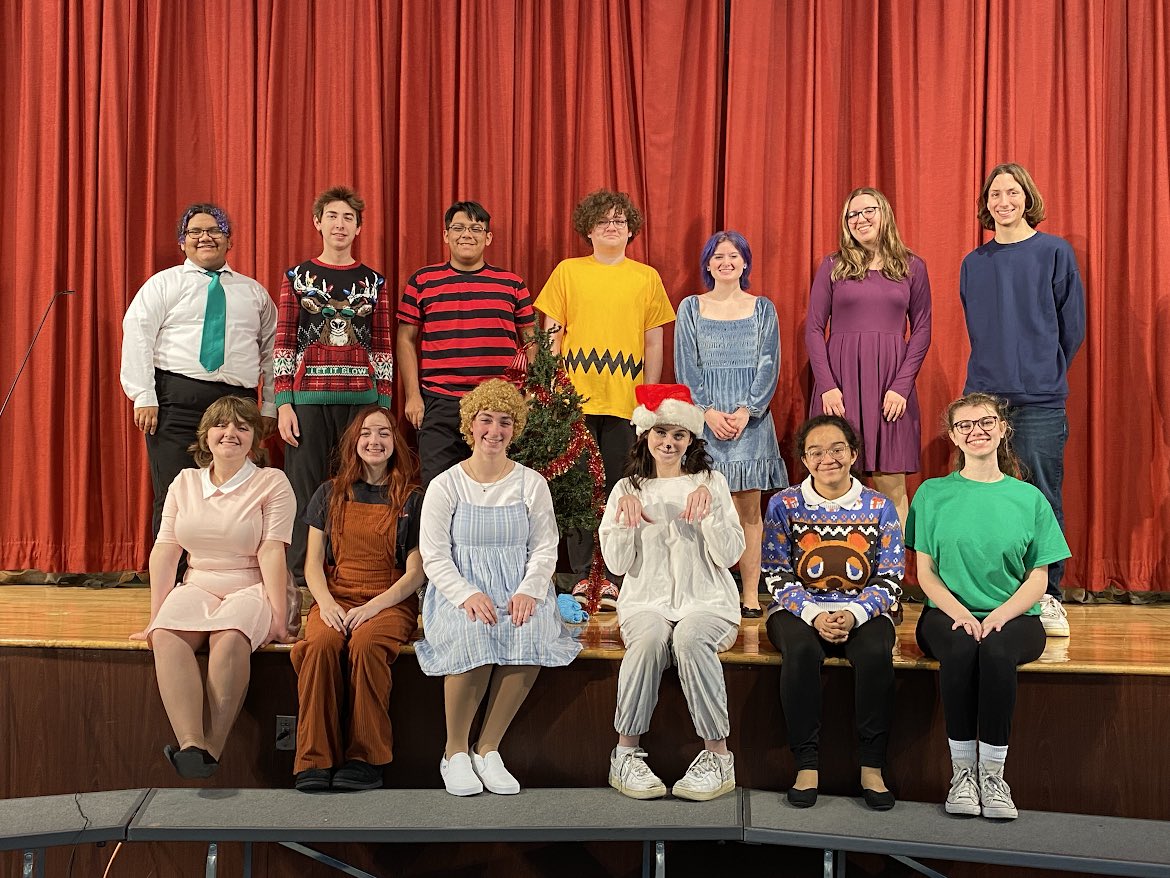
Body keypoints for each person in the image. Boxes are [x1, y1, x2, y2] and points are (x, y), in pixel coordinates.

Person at [905, 392, 1070, 820]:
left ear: (1003, 429)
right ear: (954, 437)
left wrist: (1000, 615)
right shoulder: (931, 493)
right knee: (961, 650)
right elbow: (925, 573)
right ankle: (962, 774)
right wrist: (959, 612)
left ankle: (994, 776)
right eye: (965, 425)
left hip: (1014, 615)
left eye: (986, 422)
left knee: (996, 652)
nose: (976, 431)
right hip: (945, 612)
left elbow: (1038, 577)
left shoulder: (1029, 499)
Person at [414, 379, 581, 796]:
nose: (495, 430)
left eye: (505, 422)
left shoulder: (530, 483)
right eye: (486, 420)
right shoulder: (446, 484)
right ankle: (454, 751)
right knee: (473, 631)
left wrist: (529, 590)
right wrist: (466, 594)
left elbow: (545, 546)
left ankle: (488, 748)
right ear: (470, 425)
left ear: (515, 428)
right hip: (462, 588)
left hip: (517, 586)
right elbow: (433, 554)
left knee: (533, 629)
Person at [130, 396, 294, 779]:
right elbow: (166, 551)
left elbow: (271, 552)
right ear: (206, 437)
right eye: (221, 426)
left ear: (255, 440)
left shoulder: (272, 482)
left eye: (242, 427)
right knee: (166, 636)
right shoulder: (185, 481)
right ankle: (190, 744)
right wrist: (156, 617)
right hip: (198, 582)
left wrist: (279, 617)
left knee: (230, 635)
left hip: (251, 584)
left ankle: (214, 747)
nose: (230, 434)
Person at [600, 384, 744, 802]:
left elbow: (731, 554)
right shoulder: (627, 489)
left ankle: (718, 756)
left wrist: (711, 512)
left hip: (708, 602)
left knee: (689, 637)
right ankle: (625, 754)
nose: (668, 442)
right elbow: (618, 565)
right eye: (661, 433)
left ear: (690, 440)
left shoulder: (711, 482)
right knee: (646, 641)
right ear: (645, 435)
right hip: (646, 602)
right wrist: (625, 524)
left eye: (678, 435)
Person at [960, 163, 1085, 637]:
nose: (1003, 201)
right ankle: (988, 590)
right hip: (984, 400)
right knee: (984, 497)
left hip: (1038, 398)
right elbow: (977, 323)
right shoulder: (974, 262)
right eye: (995, 194)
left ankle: (1048, 595)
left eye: (1012, 193)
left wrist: (1042, 367)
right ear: (986, 204)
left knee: (1041, 497)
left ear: (1027, 198)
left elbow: (1071, 328)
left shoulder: (1055, 252)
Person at [535, 189, 676, 605]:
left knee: (621, 488)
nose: (611, 227)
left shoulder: (645, 277)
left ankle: (615, 575)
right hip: (574, 404)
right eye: (603, 222)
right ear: (588, 231)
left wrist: (647, 399)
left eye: (619, 221)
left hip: (624, 404)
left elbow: (654, 341)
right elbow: (552, 332)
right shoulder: (568, 272)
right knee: (579, 489)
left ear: (631, 230)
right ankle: (582, 574)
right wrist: (553, 389)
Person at [761, 415, 904, 811]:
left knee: (875, 654)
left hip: (864, 609)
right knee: (802, 652)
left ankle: (872, 767)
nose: (828, 458)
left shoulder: (879, 506)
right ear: (804, 460)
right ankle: (806, 764)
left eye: (837, 449)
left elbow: (892, 576)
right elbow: (775, 572)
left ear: (853, 454)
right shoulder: (784, 504)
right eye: (816, 452)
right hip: (798, 609)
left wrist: (856, 614)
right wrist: (812, 614)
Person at [121, 203, 277, 541]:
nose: (205, 237)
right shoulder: (162, 285)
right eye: (195, 232)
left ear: (228, 240)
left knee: (234, 495)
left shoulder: (254, 293)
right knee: (175, 494)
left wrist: (269, 407)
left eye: (214, 231)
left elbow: (273, 354)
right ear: (182, 241)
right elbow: (137, 335)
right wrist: (143, 395)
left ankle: (229, 572)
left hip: (238, 404)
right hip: (175, 400)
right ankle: (173, 582)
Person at [291, 406, 424, 793]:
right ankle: (313, 759)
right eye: (366, 433)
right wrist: (327, 604)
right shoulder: (328, 493)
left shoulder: (413, 498)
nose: (374, 441)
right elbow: (312, 565)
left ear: (394, 444)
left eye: (383, 433)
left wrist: (373, 607)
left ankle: (366, 758)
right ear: (354, 442)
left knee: (366, 645)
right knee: (319, 644)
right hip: (336, 594)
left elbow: (416, 572)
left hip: (389, 600)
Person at [274, 185, 393, 588]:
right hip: (306, 400)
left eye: (348, 218)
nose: (339, 224)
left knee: (354, 485)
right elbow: (285, 339)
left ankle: (347, 567)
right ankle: (300, 577)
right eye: (332, 216)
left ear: (358, 227)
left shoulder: (375, 282)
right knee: (305, 487)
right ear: (317, 223)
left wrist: (384, 403)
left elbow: (382, 344)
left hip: (360, 402)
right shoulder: (295, 278)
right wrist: (283, 401)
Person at [674, 230, 788, 617]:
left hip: (751, 426)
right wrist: (706, 410)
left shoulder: (762, 309)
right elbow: (687, 366)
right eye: (718, 256)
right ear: (708, 264)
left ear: (745, 263)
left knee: (749, 514)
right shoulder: (690, 307)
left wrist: (746, 411)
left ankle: (750, 595)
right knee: (702, 512)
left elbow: (768, 365)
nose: (726, 261)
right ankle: (711, 592)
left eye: (734, 255)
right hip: (706, 424)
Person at [806, 187, 932, 529]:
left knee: (893, 487)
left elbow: (921, 330)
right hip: (841, 385)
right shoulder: (832, 266)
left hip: (890, 387)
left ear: (884, 214)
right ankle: (836, 571)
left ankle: (892, 577)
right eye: (852, 214)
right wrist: (827, 387)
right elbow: (815, 329)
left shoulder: (912, 266)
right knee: (833, 483)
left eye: (867, 211)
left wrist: (902, 387)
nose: (860, 219)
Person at [397, 201, 536, 487]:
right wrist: (413, 395)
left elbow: (532, 342)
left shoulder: (512, 283)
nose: (466, 234)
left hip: (500, 404)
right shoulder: (423, 281)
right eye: (458, 227)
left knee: (501, 487)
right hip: (441, 402)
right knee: (437, 488)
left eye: (476, 228)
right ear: (446, 235)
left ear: (488, 237)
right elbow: (405, 339)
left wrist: (531, 393)